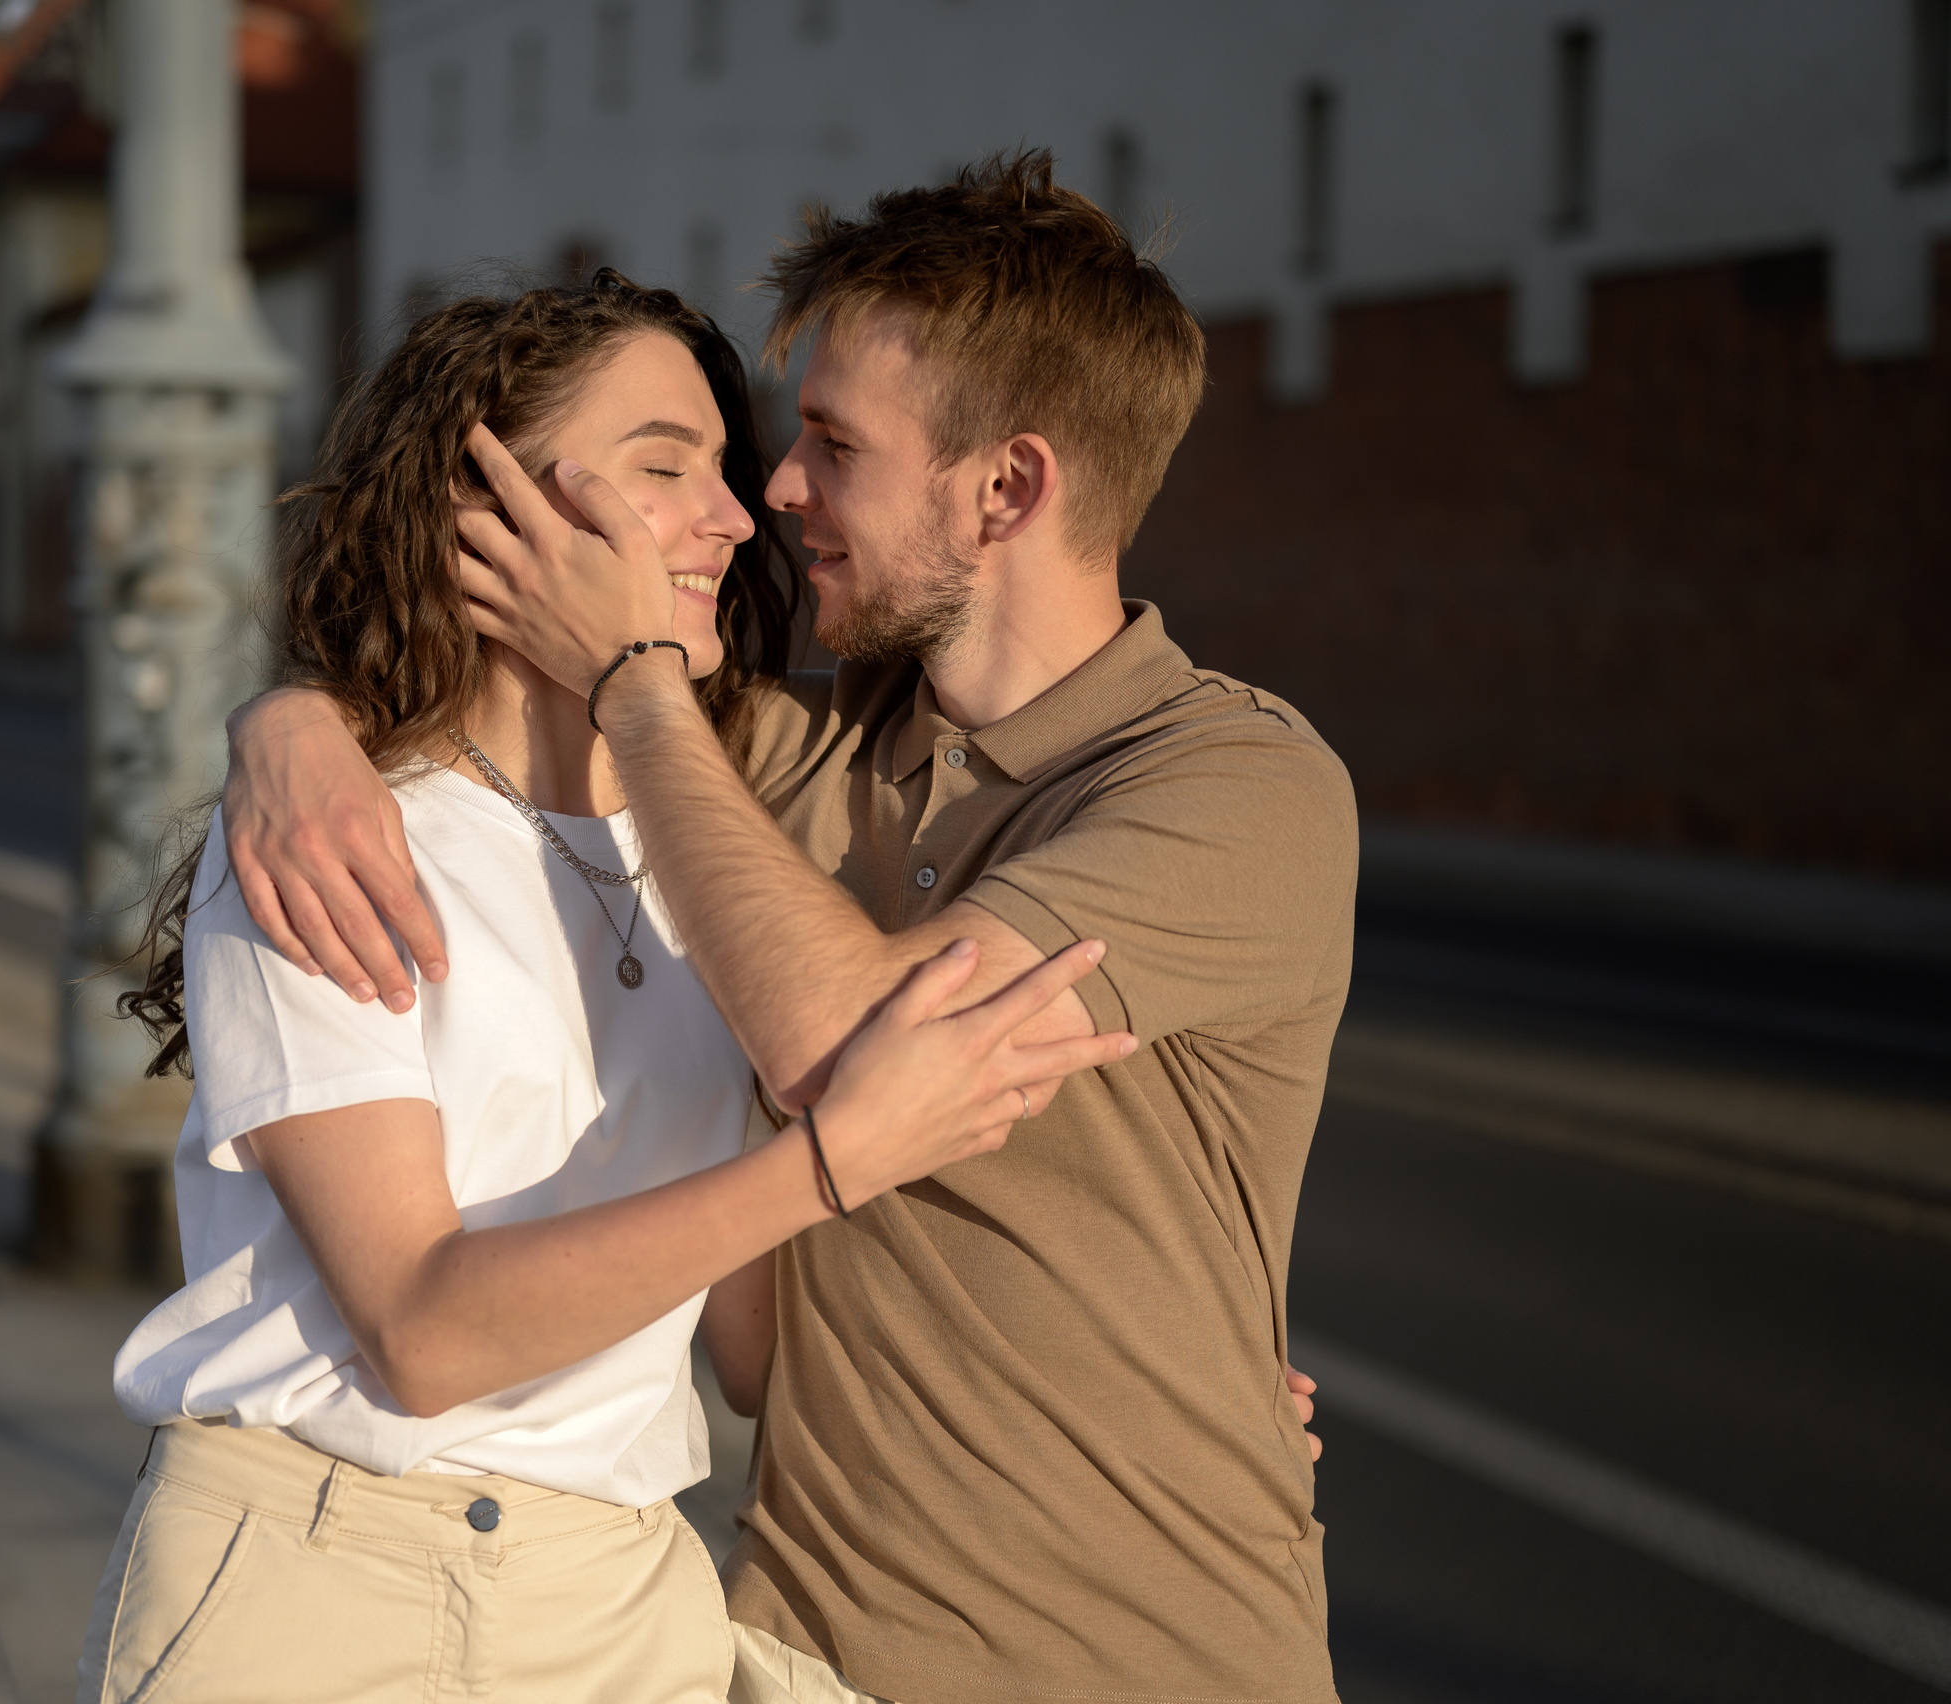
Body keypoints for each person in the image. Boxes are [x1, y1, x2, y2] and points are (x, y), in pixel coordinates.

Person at [220, 152, 1355, 1703]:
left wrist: (632, 676)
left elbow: (850, 1041)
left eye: (832, 445)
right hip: (804, 1655)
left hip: (1153, 1658)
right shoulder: (794, 760)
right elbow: (481, 703)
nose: (776, 493)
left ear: (1007, 487)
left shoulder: (1236, 782)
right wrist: (291, 721)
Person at [77, 273, 1125, 1704]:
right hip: (333, 1585)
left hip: (620, 1596)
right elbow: (426, 1331)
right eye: (662, 467)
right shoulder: (336, 844)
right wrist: (829, 1160)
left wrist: (1151, 1389)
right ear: (485, 502)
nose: (736, 515)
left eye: (723, 466)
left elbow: (753, 1353)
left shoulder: (715, 852)